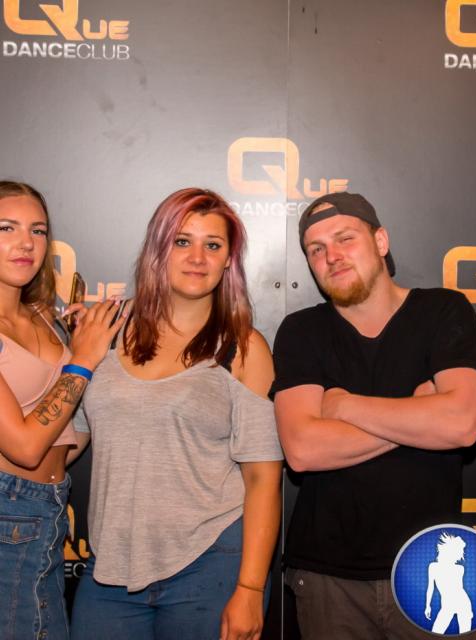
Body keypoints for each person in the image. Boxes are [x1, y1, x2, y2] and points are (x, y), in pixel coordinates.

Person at [69, 188, 283, 640]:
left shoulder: (243, 348)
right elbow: (66, 444)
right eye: (182, 241)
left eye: (213, 245)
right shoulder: (104, 333)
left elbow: (263, 478)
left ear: (228, 260)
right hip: (109, 569)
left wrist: (250, 588)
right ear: (158, 249)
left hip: (211, 566)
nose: (197, 257)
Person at [271, 192, 476, 639]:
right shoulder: (302, 331)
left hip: (432, 564)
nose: (332, 256)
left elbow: (461, 425)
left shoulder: (443, 310)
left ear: (381, 241)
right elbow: (304, 450)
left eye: (345, 238)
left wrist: (344, 406)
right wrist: (418, 411)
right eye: (316, 249)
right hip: (329, 578)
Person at [0, 180, 127, 640]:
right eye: (6, 228)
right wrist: (82, 360)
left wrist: (92, 358)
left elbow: (66, 439)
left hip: (50, 509)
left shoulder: (43, 318)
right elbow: (25, 447)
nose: (25, 243)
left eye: (37, 230)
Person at [425, 533, 473, 634]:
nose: (461, 555)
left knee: (465, 636)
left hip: (463, 603)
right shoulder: (433, 567)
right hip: (447, 605)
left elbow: (458, 589)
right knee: (436, 633)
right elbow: (430, 588)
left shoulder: (460, 569)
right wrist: (427, 605)